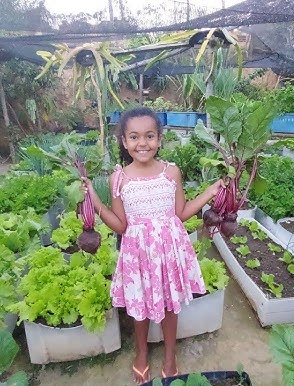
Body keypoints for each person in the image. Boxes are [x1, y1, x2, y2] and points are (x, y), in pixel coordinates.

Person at [82, 107, 223, 384]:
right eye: (134, 137)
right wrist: (95, 203)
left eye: (149, 136)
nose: (142, 143)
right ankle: (142, 354)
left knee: (170, 306)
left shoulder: (171, 173)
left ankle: (170, 356)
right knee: (140, 306)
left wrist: (209, 192)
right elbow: (121, 225)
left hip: (169, 252)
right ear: (124, 141)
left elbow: (181, 213)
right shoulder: (118, 178)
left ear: (159, 139)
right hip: (137, 255)